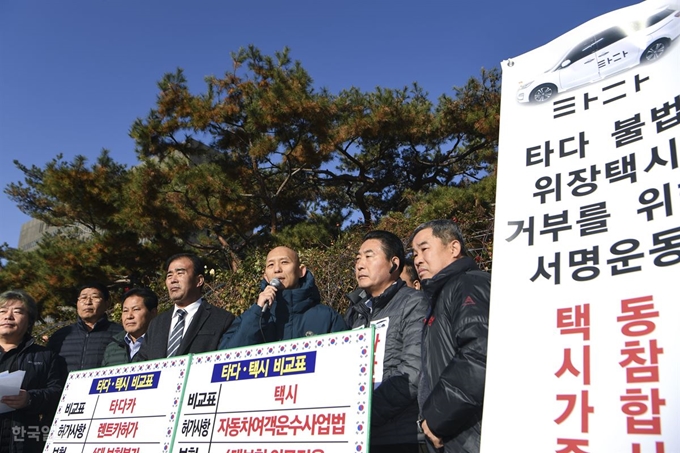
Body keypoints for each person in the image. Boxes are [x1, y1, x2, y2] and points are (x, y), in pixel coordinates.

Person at [410, 220, 490, 453]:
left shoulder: (468, 284)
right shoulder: (442, 295)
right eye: (414, 253)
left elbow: (480, 352)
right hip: (454, 433)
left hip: (469, 433)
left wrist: (436, 418)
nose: (417, 259)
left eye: (425, 249)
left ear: (453, 249)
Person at [344, 231, 429, 453]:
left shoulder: (413, 302)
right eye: (357, 259)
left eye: (369, 256)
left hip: (399, 435)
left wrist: (365, 413)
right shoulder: (356, 313)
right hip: (359, 436)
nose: (360, 264)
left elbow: (413, 373)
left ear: (394, 263)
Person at [219, 246, 347, 349]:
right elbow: (224, 360)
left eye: (284, 262)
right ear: (265, 276)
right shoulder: (251, 317)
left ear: (301, 271)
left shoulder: (327, 317)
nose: (277, 269)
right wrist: (257, 313)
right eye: (270, 265)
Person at [0, 290, 67, 453]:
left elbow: (58, 393)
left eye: (17, 312)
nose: (8, 316)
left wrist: (30, 399)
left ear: (29, 321)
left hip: (24, 443)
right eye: (2, 311)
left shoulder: (45, 356)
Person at [135, 253, 235, 361]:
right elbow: (141, 363)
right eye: (169, 275)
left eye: (180, 273)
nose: (173, 280)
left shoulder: (221, 319)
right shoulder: (156, 324)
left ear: (199, 280)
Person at [48, 281, 123, 373]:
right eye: (83, 298)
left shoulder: (120, 333)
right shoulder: (60, 336)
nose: (88, 302)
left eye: (95, 297)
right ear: (77, 303)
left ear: (107, 303)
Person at [102, 287, 158, 365]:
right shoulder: (113, 348)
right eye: (125, 311)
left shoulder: (162, 343)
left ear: (153, 313)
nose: (129, 316)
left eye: (135, 309)